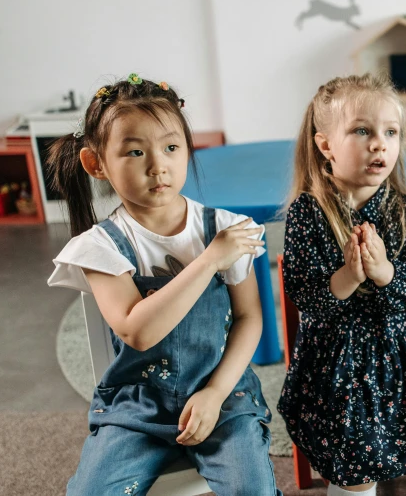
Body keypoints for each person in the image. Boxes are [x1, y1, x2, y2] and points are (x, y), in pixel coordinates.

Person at [47, 74, 281, 495]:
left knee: (254, 490)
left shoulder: (226, 228)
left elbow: (249, 319)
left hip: (223, 395)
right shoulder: (99, 247)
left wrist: (214, 393)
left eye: (171, 147)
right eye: (135, 152)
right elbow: (138, 331)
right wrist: (211, 259)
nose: (158, 166)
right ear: (95, 163)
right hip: (136, 406)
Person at [278, 73, 406, 496]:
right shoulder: (307, 213)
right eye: (362, 131)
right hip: (335, 359)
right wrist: (348, 276)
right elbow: (306, 298)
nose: (379, 144)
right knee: (358, 454)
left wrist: (385, 272)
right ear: (326, 144)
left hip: (398, 348)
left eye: (391, 132)